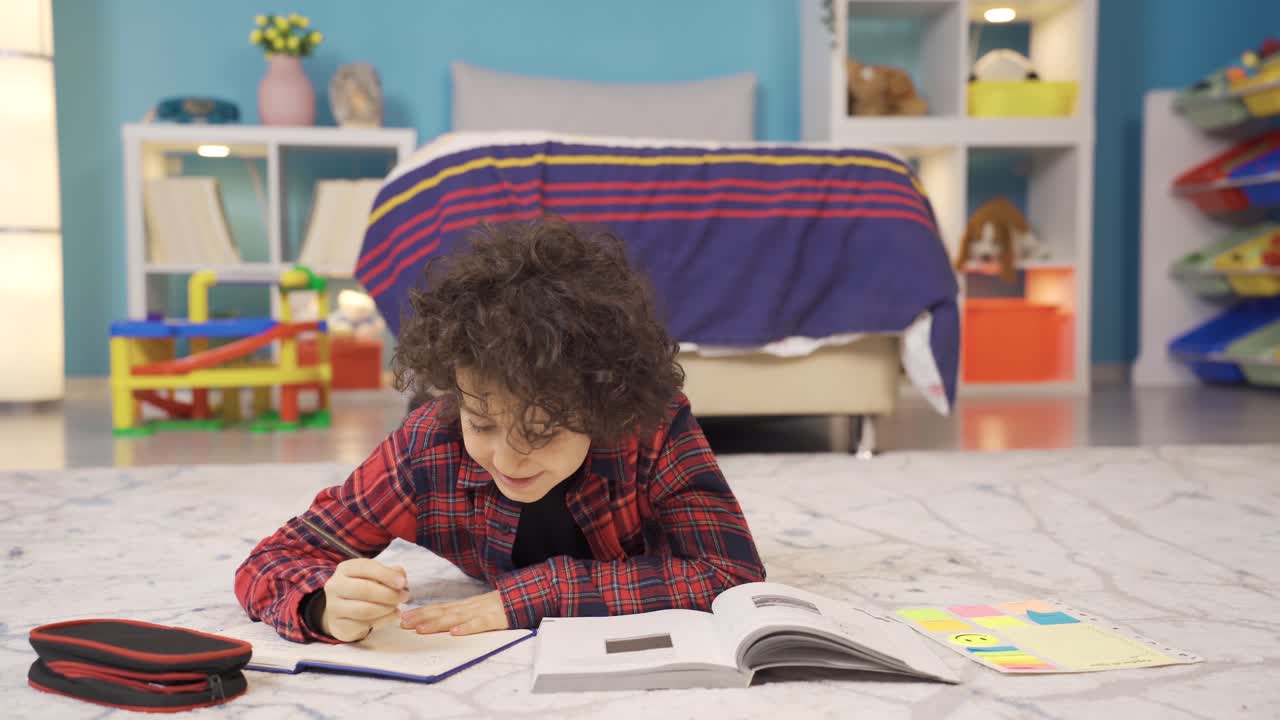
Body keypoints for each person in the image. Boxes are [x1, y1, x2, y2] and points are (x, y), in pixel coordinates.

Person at [235, 217, 765, 643]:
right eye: (482, 423)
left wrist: (532, 596)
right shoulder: (429, 447)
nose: (509, 460)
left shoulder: (651, 428)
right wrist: (322, 604)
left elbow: (730, 571)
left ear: (607, 408)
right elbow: (271, 562)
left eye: (543, 432)